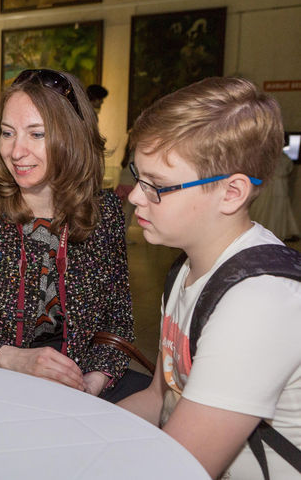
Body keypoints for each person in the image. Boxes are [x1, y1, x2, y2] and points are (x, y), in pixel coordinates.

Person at [117, 77, 301, 479]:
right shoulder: (186, 268)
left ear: (232, 193)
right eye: (138, 176)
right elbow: (159, 399)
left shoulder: (260, 302)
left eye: (158, 186)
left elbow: (182, 468)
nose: (134, 196)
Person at [0, 69, 136, 399]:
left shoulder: (105, 214)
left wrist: (92, 383)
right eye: (7, 133)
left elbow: (117, 322)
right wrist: (11, 358)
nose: (16, 152)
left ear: (73, 135)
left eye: (37, 134)